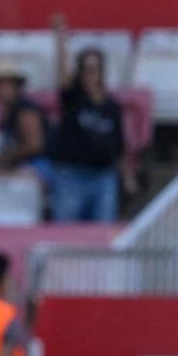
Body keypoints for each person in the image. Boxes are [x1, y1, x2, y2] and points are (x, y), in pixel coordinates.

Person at [49, 13, 131, 222]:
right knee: (66, 238)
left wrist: (128, 176)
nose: (89, 75)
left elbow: (119, 145)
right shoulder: (74, 99)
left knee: (102, 238)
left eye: (94, 69)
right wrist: (60, 38)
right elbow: (63, 73)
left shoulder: (112, 107)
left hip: (103, 176)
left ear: (101, 72)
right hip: (72, 175)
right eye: (84, 69)